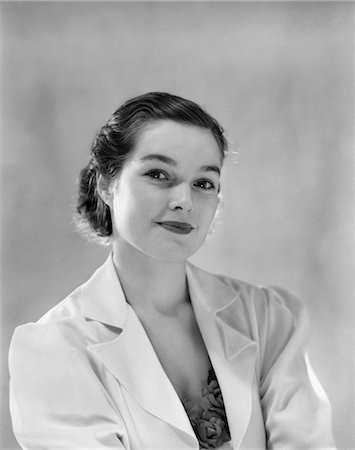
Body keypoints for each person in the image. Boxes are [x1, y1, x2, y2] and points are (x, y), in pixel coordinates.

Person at [9, 92, 336, 449]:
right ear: (106, 184)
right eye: (158, 174)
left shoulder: (270, 318)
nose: (184, 200)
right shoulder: (55, 346)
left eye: (204, 183)